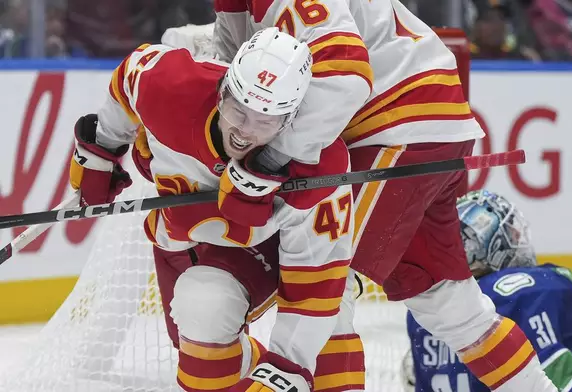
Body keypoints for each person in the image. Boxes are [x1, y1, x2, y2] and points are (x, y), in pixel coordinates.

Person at [162, 1, 557, 390]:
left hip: (394, 122)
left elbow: (345, 77)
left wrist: (268, 162)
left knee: (329, 280)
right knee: (449, 303)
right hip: (427, 121)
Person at [67, 27, 365, 392]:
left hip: (287, 250)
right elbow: (131, 74)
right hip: (199, 245)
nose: (243, 131)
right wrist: (103, 146)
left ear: (291, 122)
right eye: (238, 110)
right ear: (223, 89)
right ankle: (246, 362)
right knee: (203, 309)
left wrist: (287, 370)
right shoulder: (171, 87)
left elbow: (315, 289)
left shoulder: (320, 169)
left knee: (330, 335)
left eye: (265, 120)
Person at [404, 189, 572, 392]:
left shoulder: (424, 312)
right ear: (491, 246)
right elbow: (559, 380)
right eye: (510, 233)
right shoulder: (528, 289)